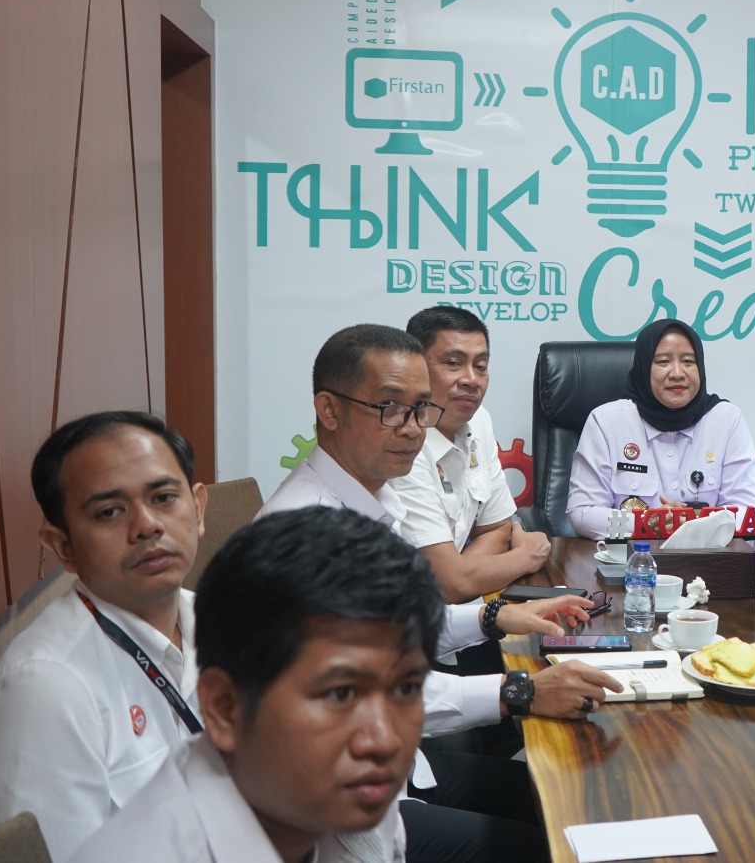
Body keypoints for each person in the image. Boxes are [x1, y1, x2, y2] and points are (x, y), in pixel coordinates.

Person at [259, 323, 621, 861]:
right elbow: (359, 698)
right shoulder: (305, 535)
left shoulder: (369, 501)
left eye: (420, 409)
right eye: (390, 408)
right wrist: (519, 690)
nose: (412, 429)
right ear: (329, 410)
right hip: (343, 815)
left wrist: (495, 617)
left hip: (396, 766)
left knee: (568, 798)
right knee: (551, 845)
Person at [69, 506, 442, 862]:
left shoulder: (355, 798)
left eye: (406, 688)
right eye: (341, 694)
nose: (384, 740)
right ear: (225, 708)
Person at [0, 411, 208, 862]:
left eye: (164, 497)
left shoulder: (226, 626)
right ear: (63, 547)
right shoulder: (47, 689)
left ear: (199, 508)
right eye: (109, 512)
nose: (147, 525)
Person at [391, 305, 550, 605]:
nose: (471, 379)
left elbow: (498, 528)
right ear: (415, 368)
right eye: (453, 363)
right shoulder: (400, 443)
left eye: (481, 366)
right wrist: (526, 557)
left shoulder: (479, 420)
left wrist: (460, 573)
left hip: (453, 612)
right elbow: (450, 584)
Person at [566, 318, 755, 539]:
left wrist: (696, 524)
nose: (677, 373)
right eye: (663, 362)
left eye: (688, 361)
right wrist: (644, 524)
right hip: (630, 557)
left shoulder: (726, 420)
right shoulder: (606, 422)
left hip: (707, 555)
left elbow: (748, 512)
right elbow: (582, 514)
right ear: (643, 368)